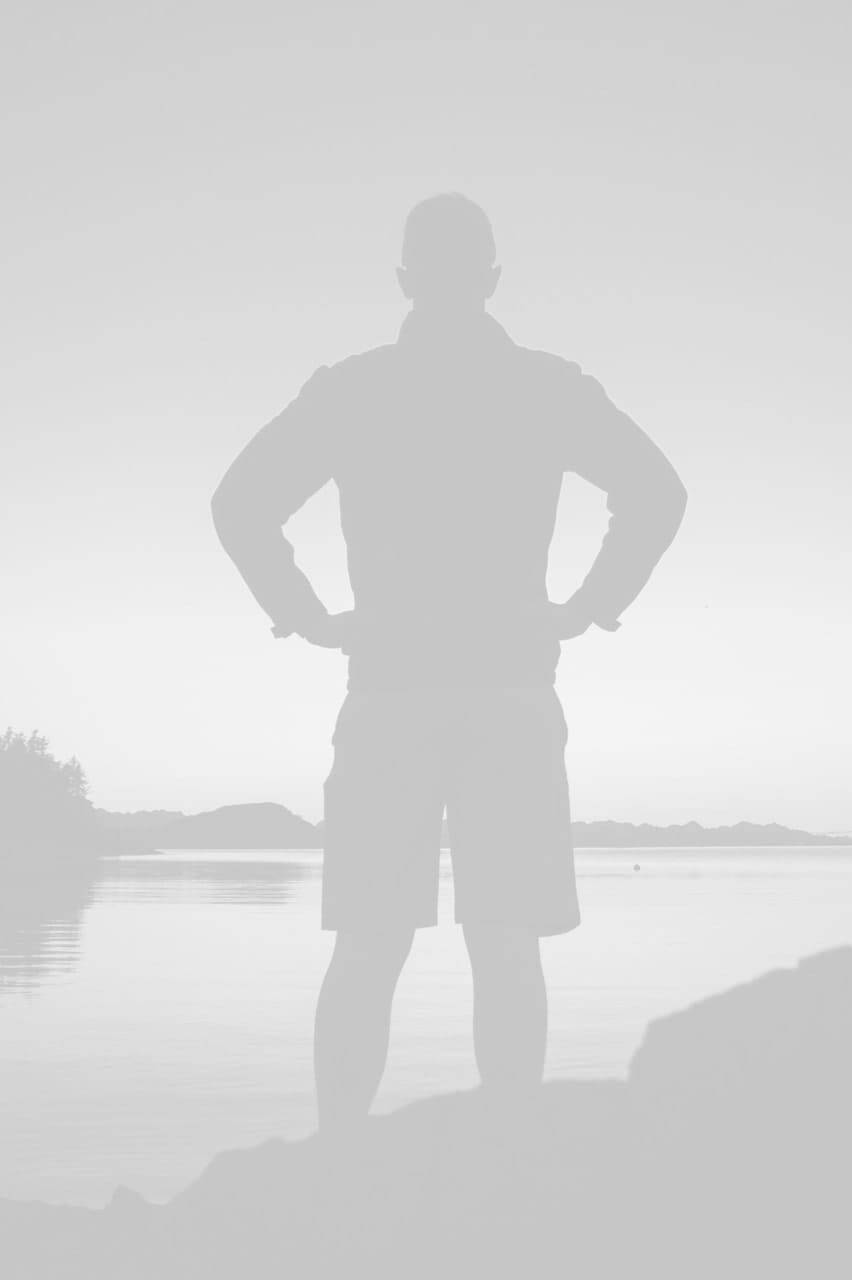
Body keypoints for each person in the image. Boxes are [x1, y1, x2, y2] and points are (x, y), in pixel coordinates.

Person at [211, 193, 687, 1125]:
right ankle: (508, 1158)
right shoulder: (547, 387)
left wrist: (304, 615)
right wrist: (590, 605)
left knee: (368, 945)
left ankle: (339, 1155)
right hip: (510, 692)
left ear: (404, 280)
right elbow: (657, 492)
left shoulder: (352, 390)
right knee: (507, 944)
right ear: (492, 280)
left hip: (390, 692)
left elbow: (239, 504)